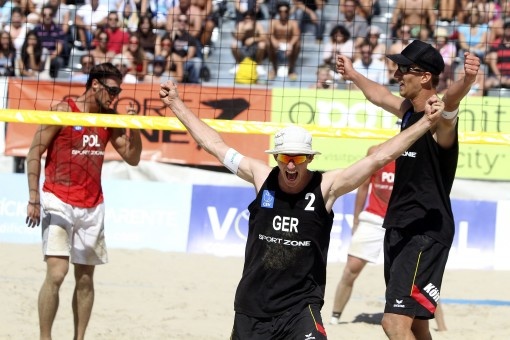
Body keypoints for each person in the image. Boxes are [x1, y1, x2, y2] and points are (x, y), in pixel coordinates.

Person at [158, 78, 445, 339]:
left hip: (300, 310)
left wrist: (424, 124)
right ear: (277, 157)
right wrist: (176, 104)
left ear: (309, 158)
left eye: (298, 158)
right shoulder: (261, 177)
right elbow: (213, 144)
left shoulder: (326, 187)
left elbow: (380, 157)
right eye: (285, 157)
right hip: (251, 307)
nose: (291, 165)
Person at [336, 40, 480, 339]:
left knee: (393, 323)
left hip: (424, 230)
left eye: (404, 69)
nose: (397, 74)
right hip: (399, 225)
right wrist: (353, 75)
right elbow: (379, 95)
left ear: (425, 76)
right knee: (416, 324)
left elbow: (451, 100)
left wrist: (466, 79)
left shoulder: (439, 120)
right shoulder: (408, 112)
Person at [25, 62, 142, 340]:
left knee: (86, 279)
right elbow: (34, 152)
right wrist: (33, 198)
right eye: (112, 90)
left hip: (92, 205)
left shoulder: (109, 118)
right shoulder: (64, 111)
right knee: (57, 273)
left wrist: (134, 126)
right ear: (95, 85)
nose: (116, 96)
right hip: (58, 199)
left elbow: (133, 158)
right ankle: (45, 337)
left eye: (119, 91)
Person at [329, 144, 447, 332]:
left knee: (418, 277)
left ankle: (441, 326)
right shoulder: (377, 151)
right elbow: (364, 187)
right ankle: (335, 316)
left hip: (404, 222)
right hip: (374, 218)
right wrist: (357, 218)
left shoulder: (420, 155)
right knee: (351, 268)